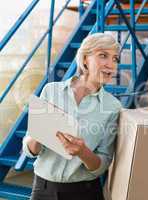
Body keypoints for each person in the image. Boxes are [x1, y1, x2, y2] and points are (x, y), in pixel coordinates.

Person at [22, 33, 122, 200]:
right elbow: (29, 149)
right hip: (43, 190)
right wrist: (40, 133)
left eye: (115, 59)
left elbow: (102, 164)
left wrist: (83, 152)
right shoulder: (51, 91)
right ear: (84, 60)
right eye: (103, 56)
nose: (111, 65)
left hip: (85, 192)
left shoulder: (113, 107)